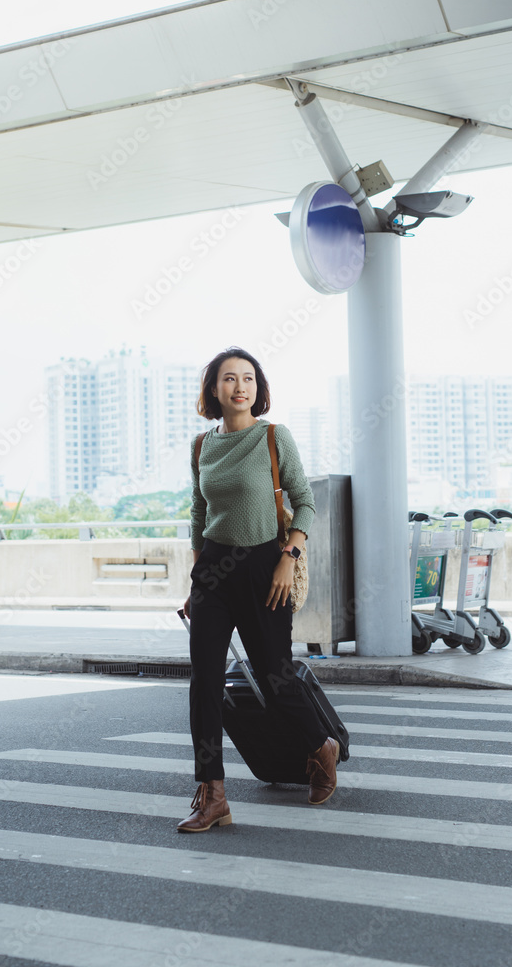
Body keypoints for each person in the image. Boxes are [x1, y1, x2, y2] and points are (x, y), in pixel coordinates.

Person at [178, 346, 339, 833]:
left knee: (275, 677)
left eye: (248, 378)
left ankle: (321, 746)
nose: (239, 386)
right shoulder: (201, 446)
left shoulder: (273, 437)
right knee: (205, 682)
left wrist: (288, 557)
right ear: (214, 389)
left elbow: (305, 502)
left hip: (266, 565)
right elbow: (199, 514)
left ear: (258, 388)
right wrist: (196, 576)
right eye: (229, 378)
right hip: (213, 572)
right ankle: (213, 794)